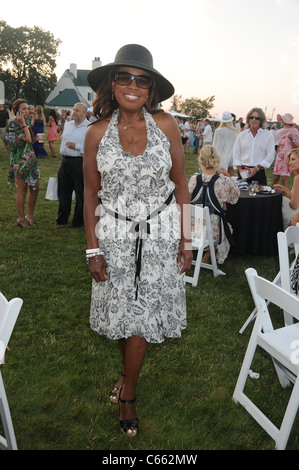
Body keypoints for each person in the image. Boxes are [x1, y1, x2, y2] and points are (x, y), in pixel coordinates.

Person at [83, 44, 192, 437]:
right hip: (113, 236)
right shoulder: (96, 133)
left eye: (141, 80)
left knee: (142, 318)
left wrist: (186, 239)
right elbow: (90, 194)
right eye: (125, 77)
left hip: (160, 234)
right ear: (112, 84)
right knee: (122, 314)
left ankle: (128, 392)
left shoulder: (166, 125)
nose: (133, 85)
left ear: (151, 89)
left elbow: (181, 183)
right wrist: (93, 249)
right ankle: (128, 376)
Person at [188, 145, 240, 264]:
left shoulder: (193, 179)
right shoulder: (223, 180)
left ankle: (205, 254)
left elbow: (189, 199)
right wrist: (227, 175)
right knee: (228, 228)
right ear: (217, 160)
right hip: (212, 232)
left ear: (201, 160)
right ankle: (210, 252)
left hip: (192, 229)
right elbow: (236, 195)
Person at [6, 99, 40, 228]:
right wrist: (24, 125)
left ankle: (29, 216)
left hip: (30, 159)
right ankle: (21, 218)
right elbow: (25, 139)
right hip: (19, 161)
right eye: (24, 109)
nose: (27, 111)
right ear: (16, 111)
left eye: (28, 109)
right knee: (23, 189)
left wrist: (34, 140)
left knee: (35, 188)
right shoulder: (13, 125)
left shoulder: (24, 122)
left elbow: (28, 141)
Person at [56, 102, 88, 228]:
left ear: (85, 113)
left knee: (80, 193)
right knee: (63, 192)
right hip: (64, 162)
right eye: (74, 109)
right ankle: (62, 219)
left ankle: (78, 221)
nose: (74, 112)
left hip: (78, 163)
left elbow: (92, 149)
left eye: (78, 110)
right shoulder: (69, 125)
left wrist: (77, 147)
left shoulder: (89, 128)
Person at [233, 107, 275, 185]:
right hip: (243, 172)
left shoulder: (268, 135)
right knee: (243, 196)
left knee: (260, 197)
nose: (253, 120)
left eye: (257, 118)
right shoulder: (241, 135)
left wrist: (256, 168)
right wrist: (240, 169)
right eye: (251, 117)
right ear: (248, 119)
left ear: (261, 120)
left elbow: (270, 155)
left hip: (259, 172)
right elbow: (236, 154)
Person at [273, 148, 299, 230]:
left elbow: (294, 205)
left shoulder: (297, 178)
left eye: (293, 159)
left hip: (296, 213)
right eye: (289, 160)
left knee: (279, 202)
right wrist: (285, 189)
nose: (290, 163)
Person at [273, 113, 299, 187]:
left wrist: (291, 139)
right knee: (275, 178)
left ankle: (283, 197)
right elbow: (279, 143)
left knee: (284, 180)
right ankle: (273, 196)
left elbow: (297, 145)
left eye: (283, 119)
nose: (281, 120)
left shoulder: (294, 131)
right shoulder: (281, 131)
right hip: (279, 157)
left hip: (287, 157)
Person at [213, 111, 239, 176]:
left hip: (219, 155)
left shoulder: (218, 131)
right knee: (231, 176)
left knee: (218, 177)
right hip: (231, 155)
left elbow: (214, 145)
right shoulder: (235, 132)